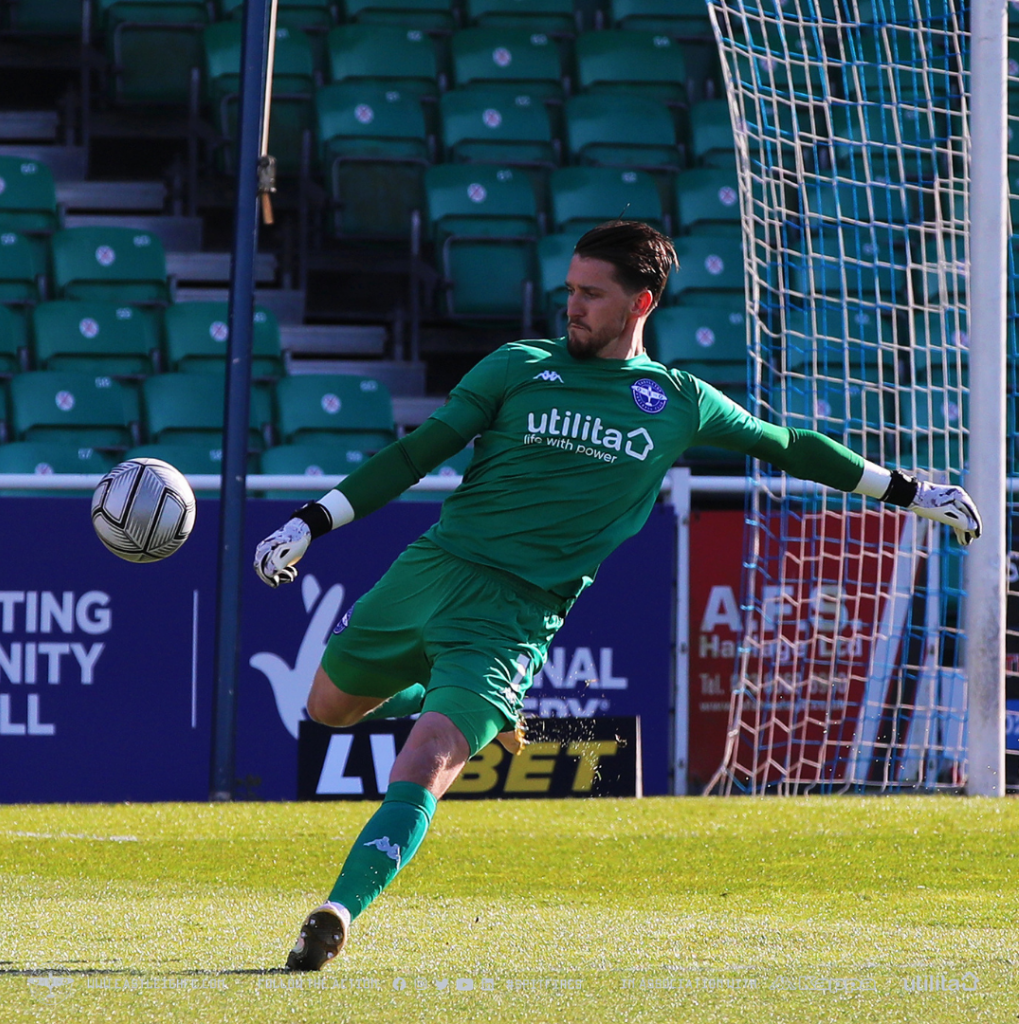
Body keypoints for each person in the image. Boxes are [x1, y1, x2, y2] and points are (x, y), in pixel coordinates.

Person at [254, 220, 982, 970]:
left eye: (591, 295)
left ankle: (338, 910)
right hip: (431, 570)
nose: (572, 306)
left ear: (641, 302)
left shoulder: (677, 400)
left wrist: (907, 489)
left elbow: (789, 444)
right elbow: (416, 454)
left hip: (514, 615)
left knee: (431, 755)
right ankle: (463, 702)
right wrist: (315, 521)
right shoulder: (516, 367)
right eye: (570, 290)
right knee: (326, 712)